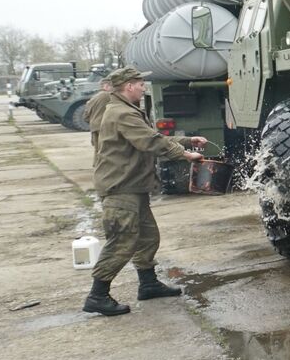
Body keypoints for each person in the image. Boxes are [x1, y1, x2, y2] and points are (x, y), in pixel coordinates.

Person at [84, 67, 206, 317]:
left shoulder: (127, 110)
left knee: (148, 238)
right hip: (120, 187)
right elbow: (151, 142)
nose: (143, 88)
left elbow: (152, 135)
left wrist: (187, 141)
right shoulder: (121, 113)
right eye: (140, 83)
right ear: (128, 86)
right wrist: (185, 155)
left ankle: (148, 284)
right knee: (122, 241)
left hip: (133, 186)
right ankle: (97, 295)